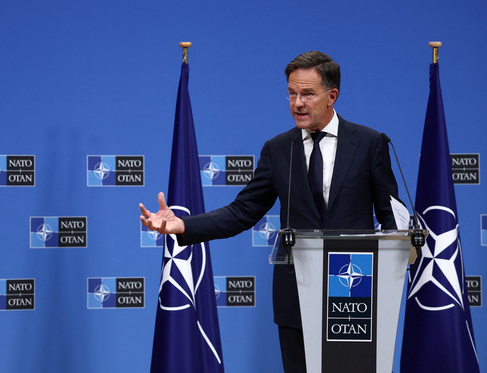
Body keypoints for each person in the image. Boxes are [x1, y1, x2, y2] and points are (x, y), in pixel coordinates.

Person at [140, 51, 399, 373]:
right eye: (291, 93)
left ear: (332, 96)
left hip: (352, 282)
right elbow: (242, 211)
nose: (297, 103)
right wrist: (183, 225)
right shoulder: (278, 149)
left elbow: (391, 218)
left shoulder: (370, 143)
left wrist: (398, 260)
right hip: (296, 284)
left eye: (307, 94)